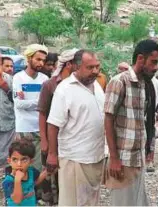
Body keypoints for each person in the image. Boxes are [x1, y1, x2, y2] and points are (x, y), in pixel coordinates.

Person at [104, 39, 158, 206]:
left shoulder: (146, 84)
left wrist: (149, 148)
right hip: (123, 159)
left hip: (139, 158)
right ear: (140, 59)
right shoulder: (119, 81)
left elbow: (144, 120)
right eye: (154, 62)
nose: (156, 67)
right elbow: (108, 119)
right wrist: (114, 158)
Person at [46, 50, 105, 206]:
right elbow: (52, 124)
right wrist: (52, 154)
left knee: (90, 201)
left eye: (97, 67)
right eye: (90, 67)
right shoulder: (65, 89)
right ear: (76, 67)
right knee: (72, 202)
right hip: (74, 158)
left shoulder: (96, 85)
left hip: (96, 155)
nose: (95, 71)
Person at [37, 48, 79, 205]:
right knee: (50, 171)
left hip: (70, 138)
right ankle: (49, 199)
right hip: (52, 136)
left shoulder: (79, 85)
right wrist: (44, 140)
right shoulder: (50, 85)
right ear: (69, 64)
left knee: (66, 174)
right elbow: (42, 114)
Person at [13, 44, 49, 172]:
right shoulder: (18, 78)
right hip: (24, 128)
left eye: (43, 60)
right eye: (38, 59)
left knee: (38, 165)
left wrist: (29, 102)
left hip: (40, 128)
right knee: (22, 165)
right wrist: (40, 101)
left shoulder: (44, 79)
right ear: (29, 59)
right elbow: (18, 104)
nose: (41, 63)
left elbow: (46, 104)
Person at [2, 140, 47, 206]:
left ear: (31, 161)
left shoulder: (31, 171)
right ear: (9, 161)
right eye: (15, 159)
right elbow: (17, 200)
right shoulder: (8, 181)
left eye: (24, 159)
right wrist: (17, 181)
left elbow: (35, 182)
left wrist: (47, 171)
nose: (19, 164)